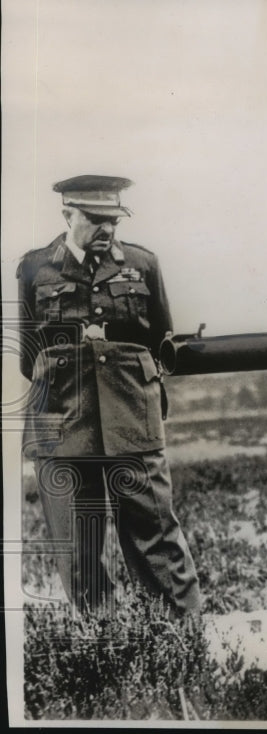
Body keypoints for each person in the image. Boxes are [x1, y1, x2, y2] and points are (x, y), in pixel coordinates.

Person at [17, 174, 200, 615]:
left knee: (154, 532)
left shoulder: (143, 264)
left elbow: (161, 340)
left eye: (114, 220)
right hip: (61, 421)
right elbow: (28, 356)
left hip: (131, 419)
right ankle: (105, 641)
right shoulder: (35, 267)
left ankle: (183, 635)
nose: (108, 230)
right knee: (78, 548)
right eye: (96, 220)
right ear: (68, 215)